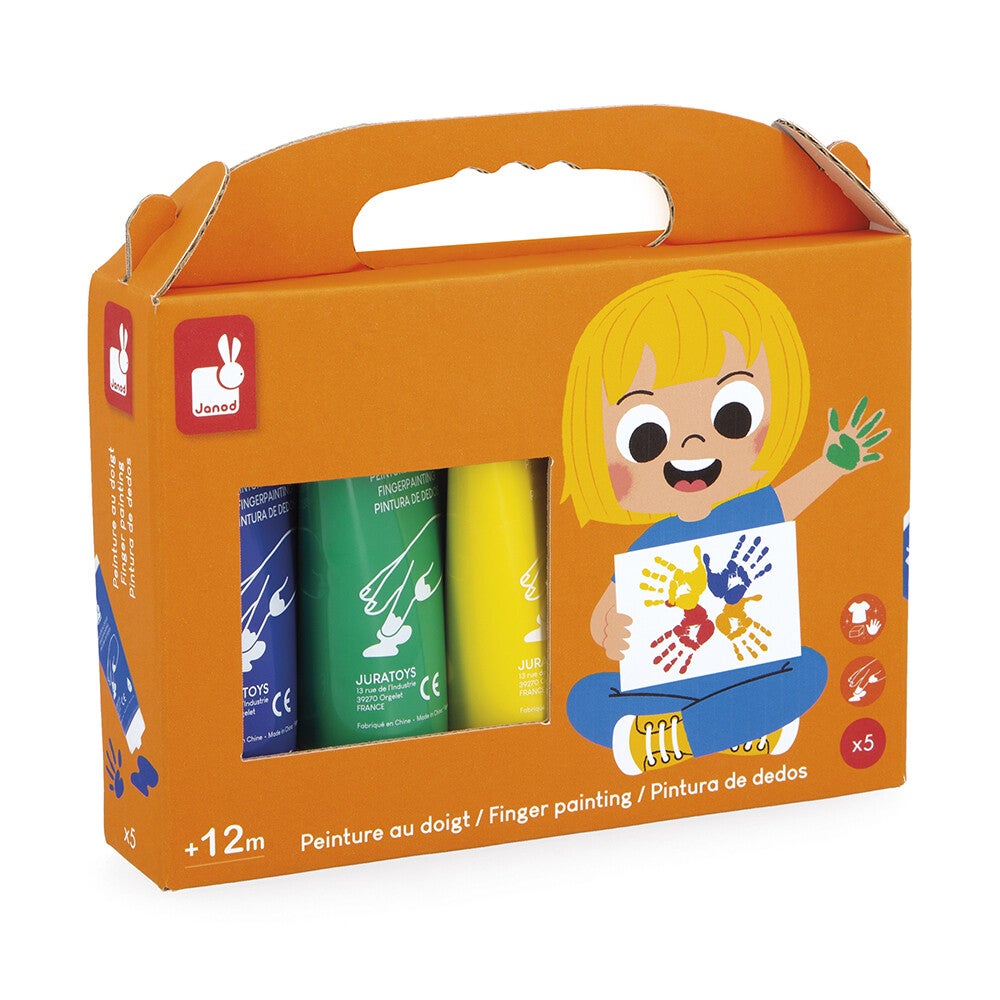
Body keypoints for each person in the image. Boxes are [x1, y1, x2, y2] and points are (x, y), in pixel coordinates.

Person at [561, 270, 889, 774]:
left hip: (747, 671)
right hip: (670, 685)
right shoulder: (650, 543)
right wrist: (612, 633)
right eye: (645, 435)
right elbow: (605, 616)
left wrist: (832, 465)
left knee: (811, 667)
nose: (691, 446)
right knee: (585, 699)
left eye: (732, 415)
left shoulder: (750, 511)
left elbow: (793, 497)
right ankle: (745, 726)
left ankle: (677, 738)